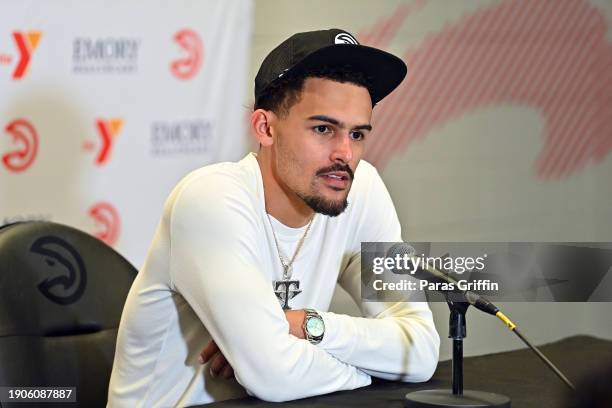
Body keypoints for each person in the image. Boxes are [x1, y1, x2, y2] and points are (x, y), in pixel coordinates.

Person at [108, 28, 440, 407]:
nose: (345, 154)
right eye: (323, 129)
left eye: (358, 134)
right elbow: (275, 377)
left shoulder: (362, 188)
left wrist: (306, 324)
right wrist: (370, 371)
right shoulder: (212, 199)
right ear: (265, 128)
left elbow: (421, 350)